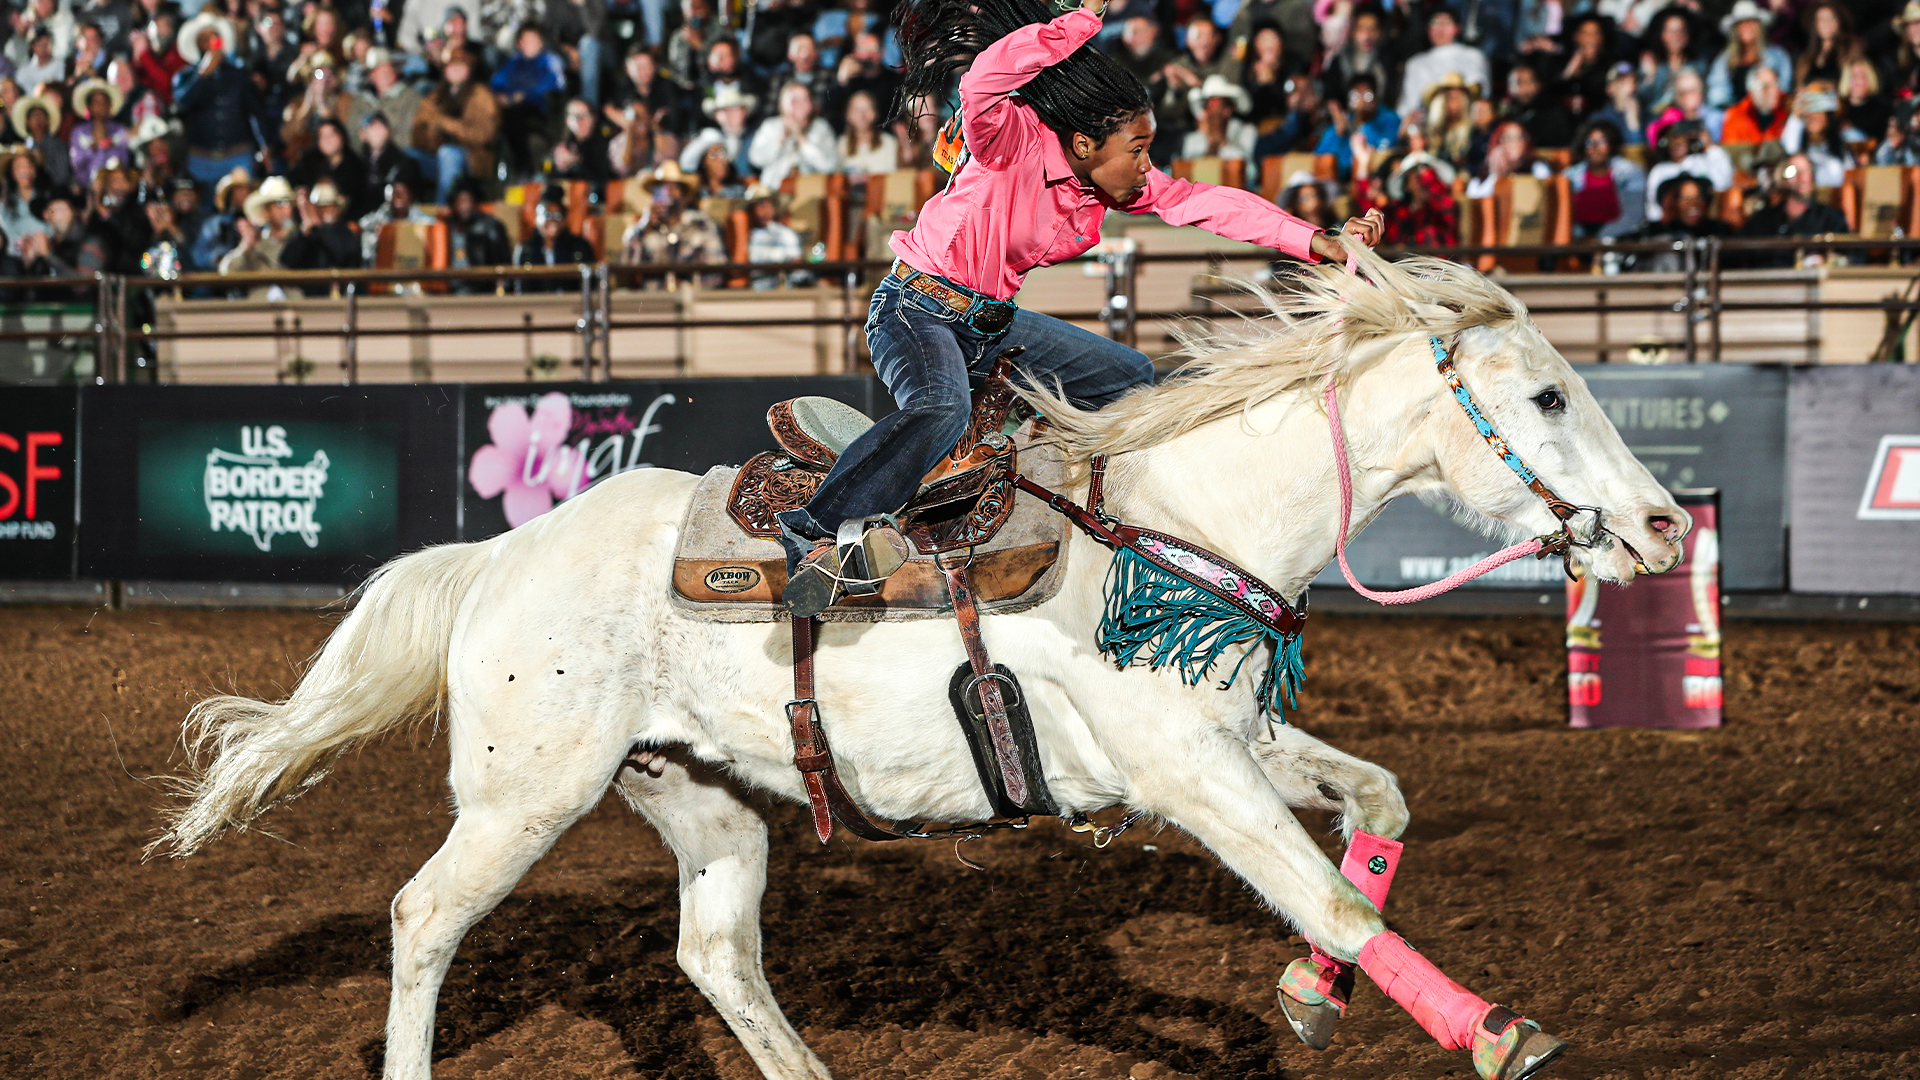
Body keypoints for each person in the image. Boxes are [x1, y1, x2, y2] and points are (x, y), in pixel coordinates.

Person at [774, 0, 1384, 617]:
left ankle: (1082, 526)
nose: (1147, 165)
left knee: (1131, 379)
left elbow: (1205, 202)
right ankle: (814, 531)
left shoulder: (1101, 183)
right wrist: (1081, 21)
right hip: (915, 310)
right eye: (1138, 149)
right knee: (941, 407)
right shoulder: (1008, 141)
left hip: (989, 325)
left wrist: (1314, 240)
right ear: (1087, 142)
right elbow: (981, 79)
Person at [619, 159, 726, 284]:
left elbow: (716, 272)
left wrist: (687, 286)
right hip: (650, 299)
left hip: (691, 296)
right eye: (660, 189)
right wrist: (644, 228)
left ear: (684, 195)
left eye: (673, 188)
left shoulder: (702, 225)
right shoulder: (639, 230)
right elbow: (623, 273)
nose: (667, 194)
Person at [413, 50, 499, 204]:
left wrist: (446, 124)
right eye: (451, 66)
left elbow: (484, 135)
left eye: (461, 66)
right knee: (407, 156)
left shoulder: (482, 96)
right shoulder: (435, 97)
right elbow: (418, 134)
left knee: (449, 155)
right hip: (437, 155)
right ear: (445, 70)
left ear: (469, 69)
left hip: (473, 160)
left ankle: (443, 212)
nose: (456, 70)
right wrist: (432, 134)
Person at [1736, 153, 1850, 267]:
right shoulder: (1764, 219)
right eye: (1793, 172)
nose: (1803, 178)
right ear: (1783, 178)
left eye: (1807, 170)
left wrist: (1827, 261)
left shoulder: (1830, 218)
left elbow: (1853, 256)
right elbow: (1735, 250)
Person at [1399, 9, 1490, 119]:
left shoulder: (1474, 56)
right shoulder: (1415, 63)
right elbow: (1408, 106)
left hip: (1468, 119)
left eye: (1447, 22)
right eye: (1435, 23)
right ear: (1428, 29)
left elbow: (1482, 93)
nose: (1441, 28)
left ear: (1457, 28)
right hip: (1428, 122)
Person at [1566, 118, 1646, 239]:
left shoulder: (1630, 172)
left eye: (1601, 141)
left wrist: (1603, 238)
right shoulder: (1570, 175)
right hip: (1579, 237)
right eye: (1589, 142)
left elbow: (1635, 215)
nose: (1595, 147)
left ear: (1611, 144)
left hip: (1620, 236)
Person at [748, 82, 839, 189]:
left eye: (805, 99)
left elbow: (830, 166)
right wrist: (780, 138)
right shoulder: (771, 126)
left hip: (809, 193)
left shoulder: (821, 127)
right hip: (773, 190)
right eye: (794, 100)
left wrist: (801, 138)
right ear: (782, 103)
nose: (800, 104)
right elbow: (756, 160)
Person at [1708, 0, 1791, 109]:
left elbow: (1784, 89)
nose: (1746, 26)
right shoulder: (1725, 59)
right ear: (1735, 29)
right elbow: (1717, 93)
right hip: (1736, 117)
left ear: (1759, 26)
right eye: (1741, 23)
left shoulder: (1777, 56)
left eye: (1751, 22)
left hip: (1770, 114)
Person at [1315, 71, 1398, 180]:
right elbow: (1319, 157)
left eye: (1368, 95)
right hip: (1342, 180)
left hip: (1377, 177)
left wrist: (1364, 124)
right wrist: (1339, 133)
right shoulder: (1344, 121)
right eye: (1356, 95)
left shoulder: (1389, 119)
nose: (1362, 100)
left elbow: (1382, 152)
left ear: (1376, 97)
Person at [1644, 119, 1732, 219]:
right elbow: (1652, 202)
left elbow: (1722, 184)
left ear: (1690, 142)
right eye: (1673, 139)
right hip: (1671, 224)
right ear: (1665, 143)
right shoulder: (1659, 170)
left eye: (1681, 140)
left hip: (1702, 219)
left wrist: (1709, 146)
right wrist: (1659, 224)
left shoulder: (1700, 161)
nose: (1677, 143)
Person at [288, 118, 372, 219]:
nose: (327, 140)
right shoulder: (309, 163)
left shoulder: (357, 165)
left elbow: (360, 197)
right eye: (322, 136)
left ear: (342, 136)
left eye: (332, 134)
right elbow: (292, 182)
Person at [512, 188, 595, 291]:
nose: (553, 220)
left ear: (565, 219)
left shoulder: (580, 246)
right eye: (547, 215)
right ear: (536, 218)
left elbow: (590, 284)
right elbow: (518, 287)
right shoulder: (525, 249)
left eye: (558, 215)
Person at [443, 174, 513, 289]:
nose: (464, 206)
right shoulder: (445, 227)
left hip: (479, 289)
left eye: (467, 200)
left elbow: (503, 264)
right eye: (460, 201)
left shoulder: (491, 226)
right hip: (450, 290)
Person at [678, 84, 754, 180]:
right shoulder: (712, 138)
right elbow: (687, 165)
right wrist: (705, 141)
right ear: (716, 116)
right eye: (724, 110)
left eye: (734, 109)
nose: (729, 115)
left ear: (745, 111)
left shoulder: (756, 136)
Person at [1181, 75, 1257, 170]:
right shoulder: (1193, 138)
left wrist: (1222, 142)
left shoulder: (1246, 130)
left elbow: (1248, 169)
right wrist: (1211, 144)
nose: (1209, 106)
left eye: (1215, 102)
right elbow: (1188, 171)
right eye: (1206, 102)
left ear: (1227, 109)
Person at [1781, 89, 1851, 188]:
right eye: (1809, 113)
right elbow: (1788, 149)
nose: (1813, 116)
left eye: (1818, 111)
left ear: (1827, 118)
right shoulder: (1796, 146)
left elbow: (1849, 175)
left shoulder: (1840, 150)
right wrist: (1796, 116)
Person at [358, 178, 439, 263]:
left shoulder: (423, 220)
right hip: (384, 266)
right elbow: (363, 224)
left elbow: (434, 227)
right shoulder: (383, 213)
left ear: (410, 196)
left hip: (414, 266)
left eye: (403, 193)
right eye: (395, 192)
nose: (399, 197)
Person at [68, 77, 130, 187]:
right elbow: (76, 165)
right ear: (89, 107)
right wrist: (93, 148)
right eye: (96, 102)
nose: (100, 107)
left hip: (114, 186)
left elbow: (124, 160)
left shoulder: (119, 130)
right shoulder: (79, 132)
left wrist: (107, 144)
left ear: (109, 106)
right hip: (85, 187)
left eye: (104, 102)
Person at [744, 182, 808, 288]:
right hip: (754, 291)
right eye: (761, 205)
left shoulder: (785, 234)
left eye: (770, 205)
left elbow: (797, 265)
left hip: (782, 290)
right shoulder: (746, 235)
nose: (766, 210)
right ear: (751, 209)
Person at [1501, 61, 1574, 149]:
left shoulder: (1555, 111)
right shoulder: (1508, 113)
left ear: (1539, 84)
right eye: (1518, 83)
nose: (1524, 88)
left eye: (1529, 82)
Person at [837, 89, 900, 177]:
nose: (862, 115)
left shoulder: (888, 142)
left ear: (876, 113)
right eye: (856, 109)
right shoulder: (841, 144)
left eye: (867, 108)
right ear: (848, 115)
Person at [1721, 66, 1788, 146]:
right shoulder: (1735, 116)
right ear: (1751, 92)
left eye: (1775, 85)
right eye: (1765, 87)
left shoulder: (1787, 109)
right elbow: (1733, 151)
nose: (1773, 92)